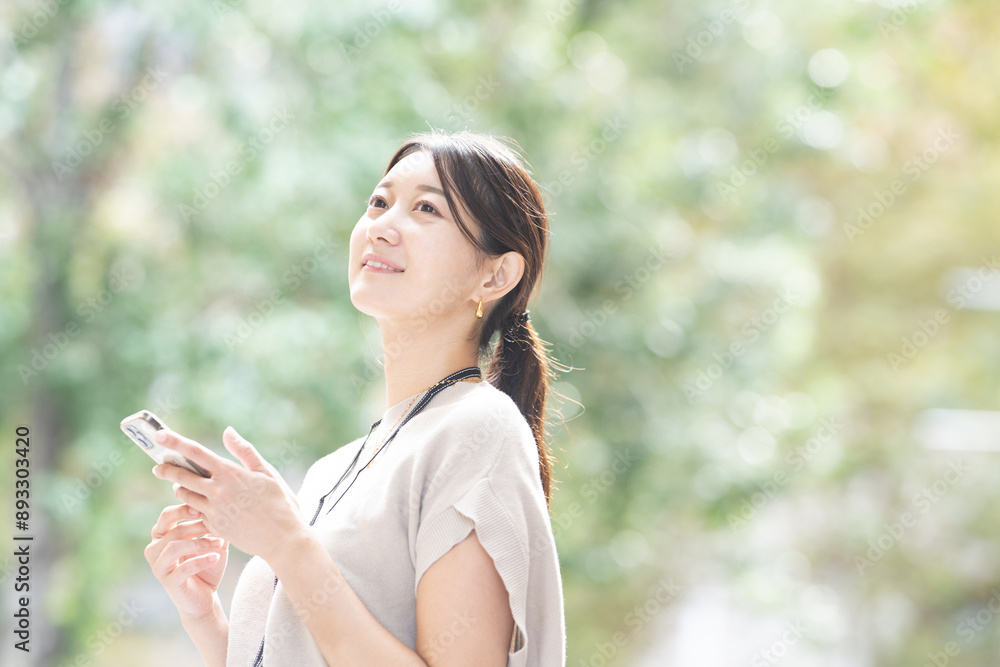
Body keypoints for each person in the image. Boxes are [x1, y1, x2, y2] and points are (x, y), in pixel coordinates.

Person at [143, 131, 568, 666]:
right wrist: (204, 617)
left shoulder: (479, 429)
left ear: (496, 274)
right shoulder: (332, 471)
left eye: (427, 209)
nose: (383, 227)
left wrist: (285, 542)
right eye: (379, 202)